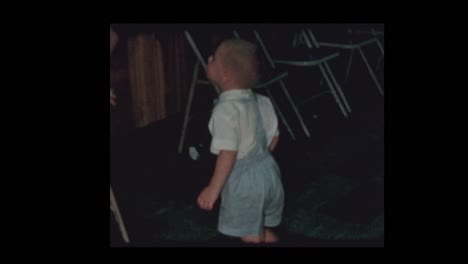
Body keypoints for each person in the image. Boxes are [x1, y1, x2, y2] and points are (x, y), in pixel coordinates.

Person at [197, 38, 284, 244]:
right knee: (259, 228)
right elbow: (274, 137)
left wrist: (213, 188)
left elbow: (228, 152)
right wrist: (258, 162)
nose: (209, 59)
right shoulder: (261, 100)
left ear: (225, 76)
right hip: (269, 173)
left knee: (250, 236)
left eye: (214, 59)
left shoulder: (225, 111)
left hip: (245, 184)